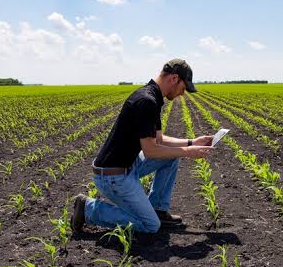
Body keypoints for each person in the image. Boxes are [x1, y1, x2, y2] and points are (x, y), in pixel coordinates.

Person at [71, 59, 214, 234]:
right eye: (184, 88)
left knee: (171, 157)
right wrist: (188, 152)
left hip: (126, 165)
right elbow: (151, 150)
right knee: (150, 226)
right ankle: (88, 209)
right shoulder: (146, 101)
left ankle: (158, 209)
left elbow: (159, 141)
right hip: (113, 176)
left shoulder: (152, 97)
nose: (182, 94)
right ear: (174, 78)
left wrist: (192, 142)